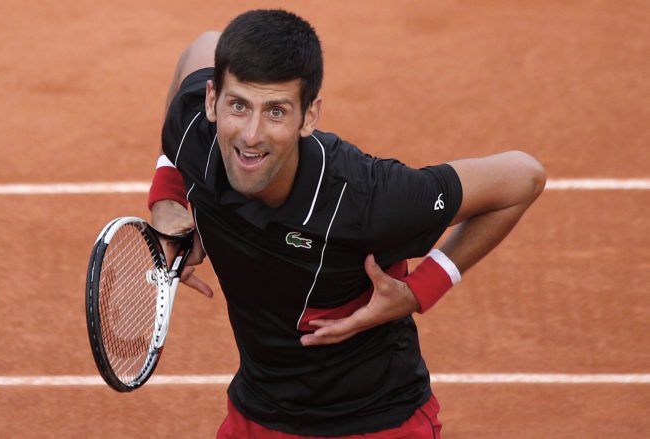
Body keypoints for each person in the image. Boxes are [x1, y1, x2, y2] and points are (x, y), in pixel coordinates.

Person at [147, 9, 546, 438]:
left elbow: (523, 176)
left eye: (277, 112)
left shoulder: (368, 198)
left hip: (375, 422)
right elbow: (204, 42)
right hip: (258, 412)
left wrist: (419, 292)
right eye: (238, 105)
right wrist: (169, 197)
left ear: (310, 116)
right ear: (211, 99)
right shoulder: (196, 134)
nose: (250, 134)